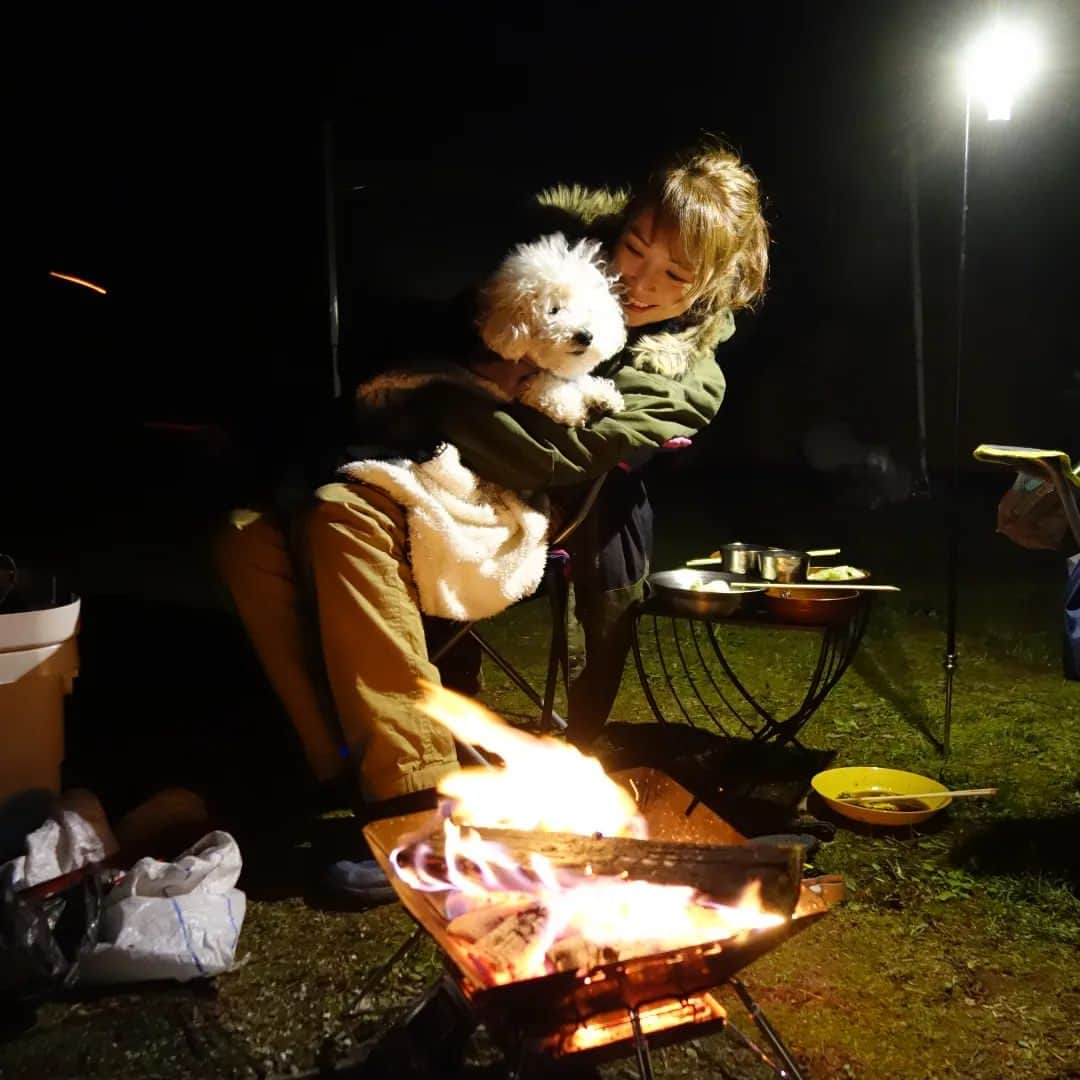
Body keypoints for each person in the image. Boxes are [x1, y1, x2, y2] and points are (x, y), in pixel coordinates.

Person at [213, 140, 769, 861]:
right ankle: (344, 766)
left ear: (709, 286)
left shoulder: (688, 374)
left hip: (529, 502)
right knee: (245, 536)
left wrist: (439, 391)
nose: (640, 281)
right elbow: (449, 325)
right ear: (622, 223)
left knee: (341, 517)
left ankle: (419, 805)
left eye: (675, 275)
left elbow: (555, 455)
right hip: (423, 460)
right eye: (634, 247)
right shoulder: (548, 264)